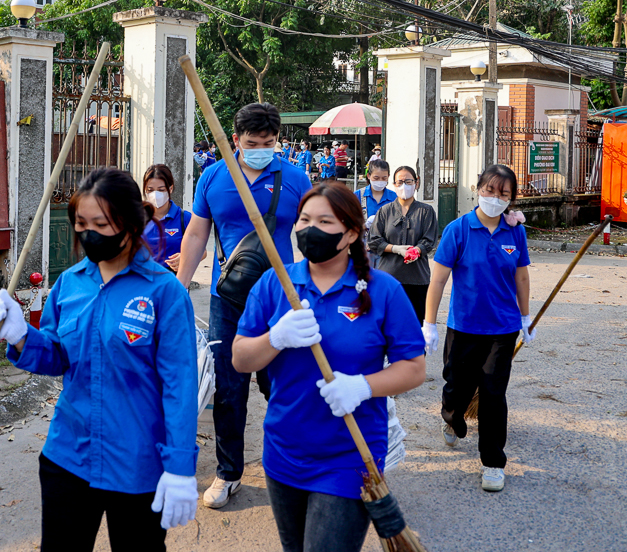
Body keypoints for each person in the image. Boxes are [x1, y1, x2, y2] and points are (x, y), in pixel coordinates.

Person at [0, 168, 198, 549]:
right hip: (69, 455)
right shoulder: (70, 283)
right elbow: (57, 357)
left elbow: (180, 387)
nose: (89, 233)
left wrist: (181, 467)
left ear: (131, 223)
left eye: (102, 223)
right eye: (81, 223)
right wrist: (20, 336)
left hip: (137, 465)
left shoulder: (164, 292)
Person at [232, 181, 425, 552]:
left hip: (350, 454)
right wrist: (275, 337)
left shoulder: (383, 290)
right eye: (304, 220)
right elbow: (241, 359)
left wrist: (363, 386)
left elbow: (414, 368)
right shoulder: (276, 284)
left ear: (351, 232)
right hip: (283, 450)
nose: (309, 229)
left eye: (324, 221)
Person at [175, 102, 312, 509]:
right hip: (228, 299)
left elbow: (314, 231)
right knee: (230, 389)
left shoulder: (294, 177)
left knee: (284, 385)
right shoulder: (214, 177)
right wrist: (180, 287)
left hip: (281, 299)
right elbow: (198, 235)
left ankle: (295, 466)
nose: (260, 149)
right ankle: (228, 472)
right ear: (235, 139)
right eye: (252, 143)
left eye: (268, 143)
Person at [423, 164, 532, 493]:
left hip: (502, 329)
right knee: (457, 387)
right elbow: (439, 279)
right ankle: (451, 416)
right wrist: (429, 323)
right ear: (478, 189)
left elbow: (522, 277)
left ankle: (493, 462)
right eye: (490, 190)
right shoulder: (458, 230)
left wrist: (525, 318)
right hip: (464, 327)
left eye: (504, 194)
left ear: (511, 198)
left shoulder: (516, 232)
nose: (495, 198)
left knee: (493, 394)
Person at [368, 165, 438, 321]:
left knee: (415, 324)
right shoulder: (385, 211)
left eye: (408, 181)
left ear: (416, 183)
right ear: (394, 184)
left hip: (417, 279)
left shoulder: (426, 211)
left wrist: (416, 251)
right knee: (387, 324)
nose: (404, 185)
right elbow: (373, 240)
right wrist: (395, 249)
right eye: (399, 182)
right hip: (389, 277)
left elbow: (429, 239)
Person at [142, 164, 191, 272]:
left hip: (174, 283)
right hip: (143, 282)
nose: (155, 195)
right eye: (150, 190)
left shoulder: (184, 218)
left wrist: (185, 258)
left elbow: (202, 251)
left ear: (171, 188)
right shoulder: (137, 218)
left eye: (161, 190)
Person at [354, 160, 396, 253]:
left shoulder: (394, 198)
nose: (380, 181)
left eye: (384, 178)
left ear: (388, 177)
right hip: (363, 249)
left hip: (387, 249)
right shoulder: (357, 196)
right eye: (376, 178)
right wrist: (364, 226)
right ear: (369, 176)